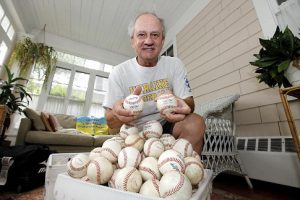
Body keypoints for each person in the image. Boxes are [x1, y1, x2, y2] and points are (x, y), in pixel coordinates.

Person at [103, 12, 205, 154]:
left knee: (196, 123)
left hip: (167, 126)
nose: (149, 41)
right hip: (134, 131)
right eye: (141, 35)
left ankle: (180, 171)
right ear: (132, 40)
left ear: (162, 40)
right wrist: (118, 113)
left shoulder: (174, 64)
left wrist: (178, 104)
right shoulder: (119, 72)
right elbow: (110, 121)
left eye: (155, 35)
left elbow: (190, 104)